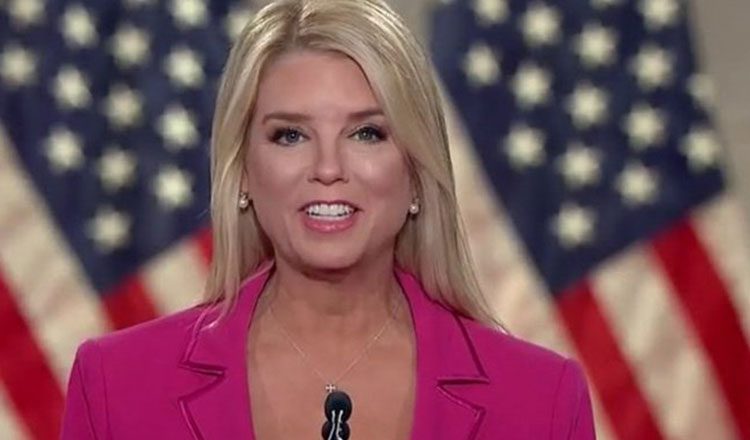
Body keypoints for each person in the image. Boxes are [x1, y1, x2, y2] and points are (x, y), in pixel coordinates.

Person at [61, 0, 596, 438]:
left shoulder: (540, 402)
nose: (327, 169)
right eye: (290, 135)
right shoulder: (116, 387)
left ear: (416, 169)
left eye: (366, 133)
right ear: (242, 171)